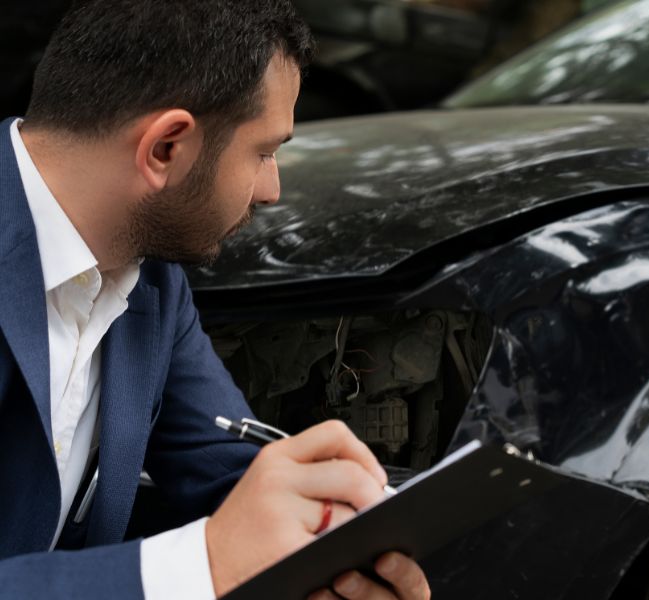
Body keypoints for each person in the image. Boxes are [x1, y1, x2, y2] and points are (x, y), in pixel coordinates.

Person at [0, 0, 431, 598]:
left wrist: (341, 545)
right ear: (166, 148)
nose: (273, 190)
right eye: (264, 152)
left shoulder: (151, 279)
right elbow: (219, 549)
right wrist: (204, 563)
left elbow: (226, 462)